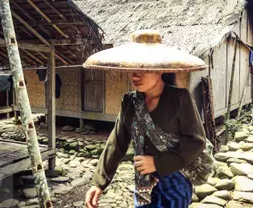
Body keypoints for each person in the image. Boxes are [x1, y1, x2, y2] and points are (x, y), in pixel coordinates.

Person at [83, 30, 209, 208]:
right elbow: (116, 143)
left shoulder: (180, 98)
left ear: (159, 70)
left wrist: (158, 163)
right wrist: (99, 182)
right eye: (132, 68)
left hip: (174, 178)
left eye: (143, 68)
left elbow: (196, 141)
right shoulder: (129, 102)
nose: (135, 75)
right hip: (143, 181)